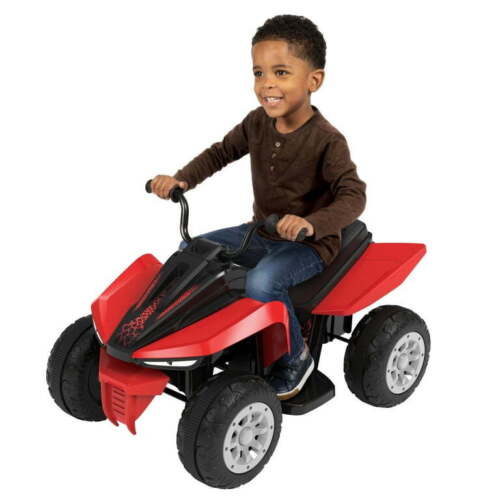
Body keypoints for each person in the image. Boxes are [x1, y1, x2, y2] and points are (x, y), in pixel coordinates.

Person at [150, 14, 367, 400]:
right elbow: (220, 153)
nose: (267, 83)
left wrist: (311, 224)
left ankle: (296, 357)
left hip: (309, 245)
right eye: (258, 73)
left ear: (313, 80)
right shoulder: (257, 123)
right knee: (191, 251)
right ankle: (194, 336)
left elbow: (354, 195)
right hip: (260, 232)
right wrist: (182, 180)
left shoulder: (327, 140)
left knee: (263, 282)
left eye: (281, 72)